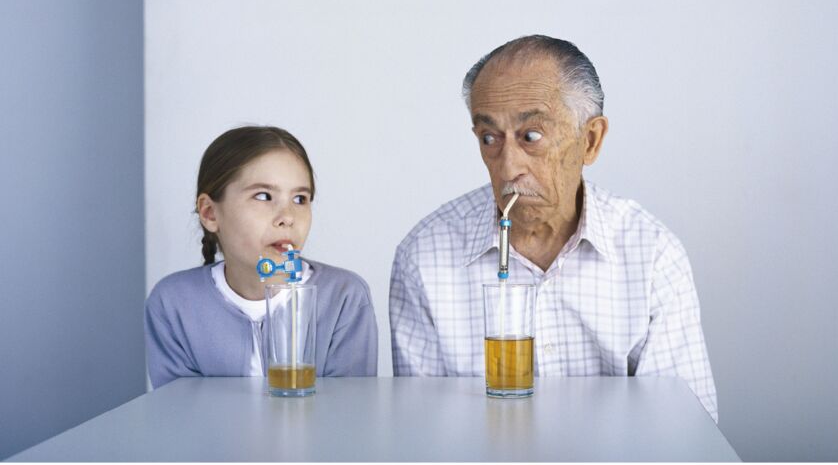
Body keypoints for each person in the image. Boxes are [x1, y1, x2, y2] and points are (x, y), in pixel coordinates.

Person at [389, 35, 718, 421]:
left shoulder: (652, 254)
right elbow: (424, 435)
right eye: (489, 138)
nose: (508, 168)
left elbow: (682, 431)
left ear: (590, 141)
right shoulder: (424, 257)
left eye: (531, 137)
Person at [146, 125, 377, 388]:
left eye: (300, 199)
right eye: (264, 196)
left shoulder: (344, 298)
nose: (288, 217)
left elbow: (347, 414)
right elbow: (180, 415)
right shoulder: (172, 303)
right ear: (210, 213)